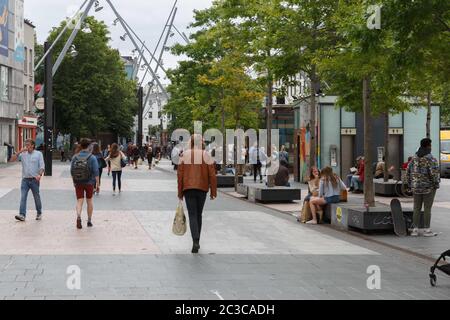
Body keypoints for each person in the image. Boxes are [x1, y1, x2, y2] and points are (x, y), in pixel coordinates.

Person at [177, 134, 217, 254]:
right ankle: (197, 239)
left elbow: (180, 175)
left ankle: (195, 240)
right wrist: (213, 191)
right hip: (202, 188)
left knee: (192, 214)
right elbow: (212, 174)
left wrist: (180, 192)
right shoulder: (206, 155)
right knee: (199, 214)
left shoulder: (184, 154)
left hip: (188, 188)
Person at [407, 138, 440, 237]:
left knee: (416, 208)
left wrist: (410, 184)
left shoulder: (414, 158)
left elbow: (408, 172)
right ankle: (427, 230)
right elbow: (434, 174)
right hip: (428, 187)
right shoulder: (431, 159)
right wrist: (436, 184)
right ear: (428, 146)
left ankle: (415, 230)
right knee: (427, 208)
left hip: (416, 187)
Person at [10, 139, 45, 222]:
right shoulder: (23, 154)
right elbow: (11, 160)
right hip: (25, 180)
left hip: (34, 180)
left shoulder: (38, 154)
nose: (26, 146)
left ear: (33, 145)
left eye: (28, 145)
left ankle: (39, 213)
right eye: (26, 145)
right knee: (23, 197)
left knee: (36, 197)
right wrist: (19, 151)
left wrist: (39, 175)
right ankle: (22, 215)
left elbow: (42, 167)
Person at [70, 139, 99, 229]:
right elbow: (96, 172)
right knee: (89, 201)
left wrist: (74, 181)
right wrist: (97, 184)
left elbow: (71, 170)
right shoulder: (92, 157)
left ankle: (78, 216)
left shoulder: (75, 157)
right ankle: (89, 220)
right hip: (89, 182)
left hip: (78, 182)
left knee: (79, 201)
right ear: (89, 146)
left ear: (81, 146)